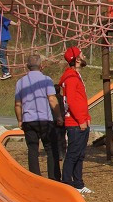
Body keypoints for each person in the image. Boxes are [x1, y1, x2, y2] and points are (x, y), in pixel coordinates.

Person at [14, 54, 62, 180]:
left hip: (29, 119)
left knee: (32, 149)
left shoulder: (20, 82)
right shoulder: (46, 80)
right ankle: (54, 178)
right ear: (41, 66)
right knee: (51, 149)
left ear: (27, 66)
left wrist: (20, 120)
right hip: (45, 119)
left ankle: (35, 178)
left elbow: (18, 104)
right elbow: (52, 99)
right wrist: (58, 116)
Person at [59, 46, 92, 194]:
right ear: (77, 59)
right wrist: (80, 119)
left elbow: (80, 100)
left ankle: (78, 183)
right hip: (75, 123)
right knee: (73, 154)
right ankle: (67, 184)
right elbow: (71, 101)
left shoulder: (75, 76)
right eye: (81, 54)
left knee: (80, 154)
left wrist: (87, 117)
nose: (84, 56)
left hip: (80, 120)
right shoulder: (71, 78)